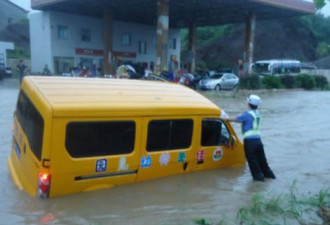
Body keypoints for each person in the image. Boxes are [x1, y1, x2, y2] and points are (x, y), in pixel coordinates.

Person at [221, 94, 276, 182]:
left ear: (249, 104)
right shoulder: (257, 114)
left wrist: (224, 118)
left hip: (250, 143)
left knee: (253, 164)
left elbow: (235, 119)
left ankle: (259, 182)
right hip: (258, 141)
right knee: (263, 162)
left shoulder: (247, 115)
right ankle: (270, 177)